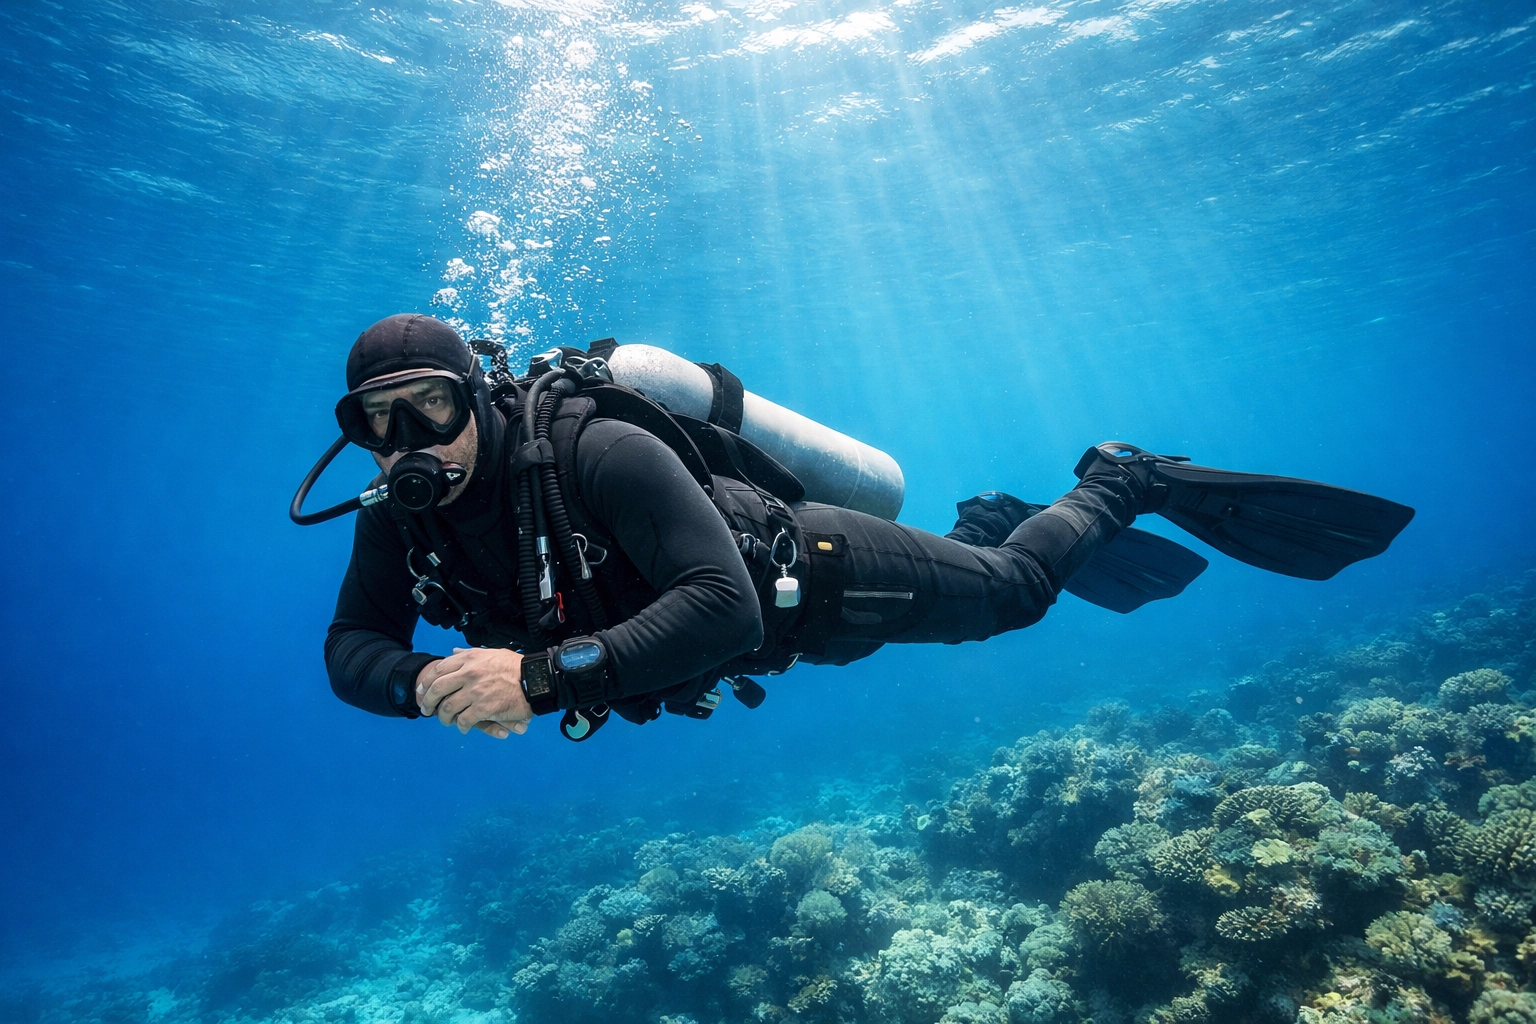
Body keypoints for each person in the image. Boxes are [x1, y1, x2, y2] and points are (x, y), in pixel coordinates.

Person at [311, 314, 1413, 742]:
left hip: (807, 573)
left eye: (434, 408)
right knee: (983, 556)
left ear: (480, 398)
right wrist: (418, 683)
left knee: (1016, 596)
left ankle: (1125, 477)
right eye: (379, 420)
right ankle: (987, 521)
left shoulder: (596, 447)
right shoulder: (400, 514)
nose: (410, 441)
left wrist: (539, 680)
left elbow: (720, 604)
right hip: (776, 645)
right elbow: (347, 648)